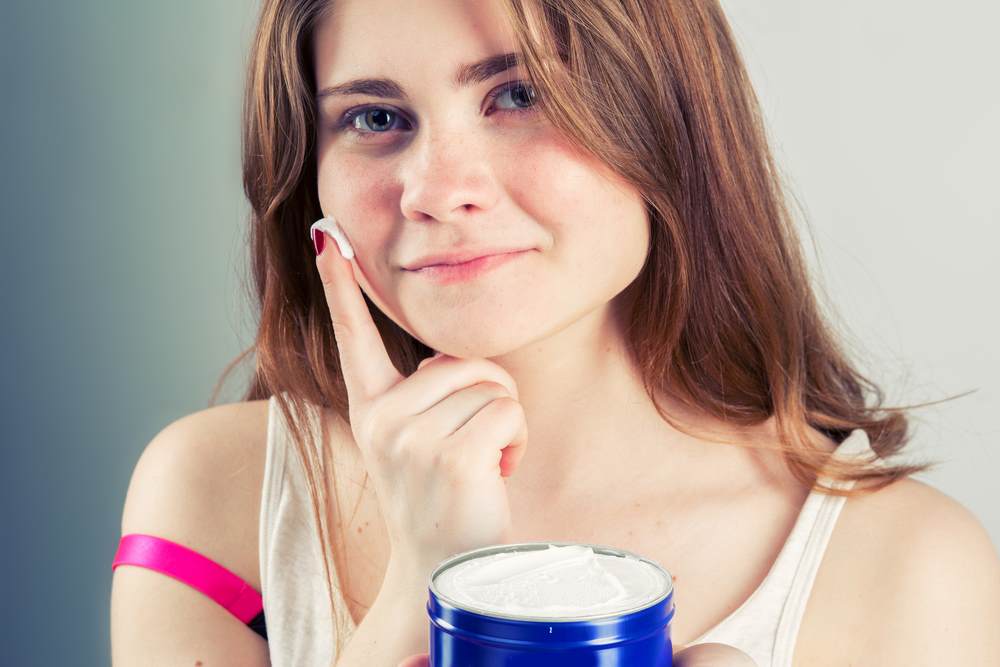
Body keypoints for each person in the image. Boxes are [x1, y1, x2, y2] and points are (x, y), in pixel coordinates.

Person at [110, 0, 1000, 665]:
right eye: (375, 118)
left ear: (667, 117)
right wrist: (421, 596)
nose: (435, 187)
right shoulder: (214, 492)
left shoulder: (911, 568)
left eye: (518, 94)